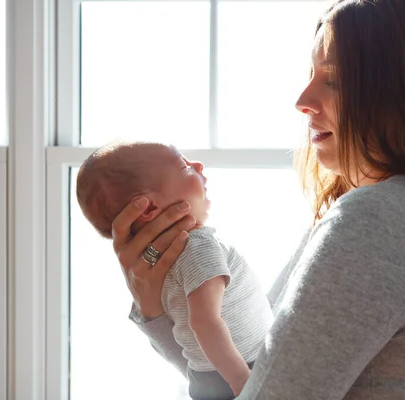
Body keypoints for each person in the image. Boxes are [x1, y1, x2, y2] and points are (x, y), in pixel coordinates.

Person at [110, 0, 405, 398]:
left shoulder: (382, 222)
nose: (303, 101)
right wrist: (154, 307)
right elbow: (247, 382)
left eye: (332, 79)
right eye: (310, 75)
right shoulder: (401, 213)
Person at [75, 142, 273, 399]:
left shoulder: (162, 265)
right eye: (184, 166)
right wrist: (243, 382)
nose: (198, 165)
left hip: (206, 377)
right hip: (241, 369)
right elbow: (204, 321)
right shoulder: (199, 246)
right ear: (149, 208)